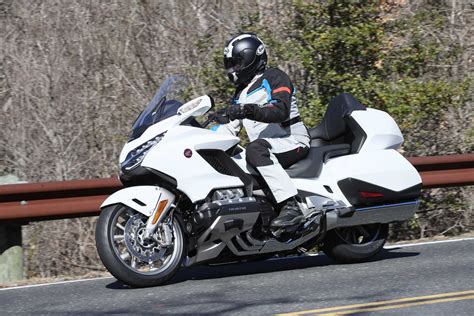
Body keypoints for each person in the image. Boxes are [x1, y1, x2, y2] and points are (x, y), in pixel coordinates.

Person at [215, 33, 310, 228]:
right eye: (230, 64)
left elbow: (280, 110)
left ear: (252, 59)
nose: (233, 69)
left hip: (292, 140)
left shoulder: (274, 77)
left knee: (255, 149)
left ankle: (291, 206)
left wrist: (248, 110)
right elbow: (228, 128)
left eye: (237, 63)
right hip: (268, 149)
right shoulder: (240, 93)